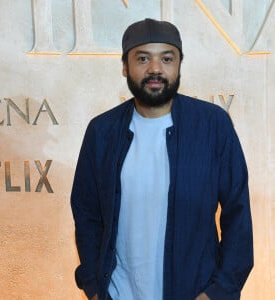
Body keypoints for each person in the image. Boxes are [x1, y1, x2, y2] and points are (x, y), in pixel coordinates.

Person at [71, 18, 253, 300]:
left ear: (179, 64)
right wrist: (94, 289)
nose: (155, 69)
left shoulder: (213, 125)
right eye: (142, 58)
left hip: (194, 292)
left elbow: (238, 215)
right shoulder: (102, 132)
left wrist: (218, 292)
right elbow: (86, 215)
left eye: (166, 58)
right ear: (124, 66)